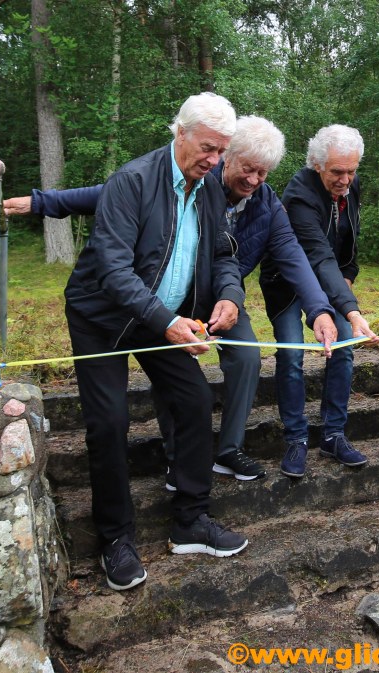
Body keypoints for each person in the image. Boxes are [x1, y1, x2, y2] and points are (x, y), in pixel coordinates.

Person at [5, 117, 375, 484]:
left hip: (225, 295)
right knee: (175, 366)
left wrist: (321, 311)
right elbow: (109, 193)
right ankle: (175, 455)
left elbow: (296, 256)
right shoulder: (193, 181)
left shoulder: (267, 205)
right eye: (247, 169)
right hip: (176, 293)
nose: (253, 180)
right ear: (227, 158)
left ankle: (229, 449)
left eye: (262, 173)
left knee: (247, 354)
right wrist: (41, 203)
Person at [62, 92, 251, 591]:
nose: (214, 161)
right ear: (180, 133)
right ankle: (115, 538)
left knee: (193, 399)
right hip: (101, 317)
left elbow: (224, 254)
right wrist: (164, 318)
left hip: (157, 320)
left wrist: (230, 295)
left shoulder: (209, 189)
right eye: (207, 148)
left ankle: (191, 519)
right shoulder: (132, 182)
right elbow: (112, 270)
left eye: (221, 152)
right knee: (109, 421)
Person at [262, 125, 379, 479]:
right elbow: (317, 254)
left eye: (351, 170)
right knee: (291, 352)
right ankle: (296, 438)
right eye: (337, 172)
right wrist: (352, 308)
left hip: (329, 280)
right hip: (287, 282)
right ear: (317, 166)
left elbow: (347, 243)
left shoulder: (350, 185)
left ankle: (333, 434)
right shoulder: (299, 197)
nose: (345, 179)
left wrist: (349, 277)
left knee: (344, 345)